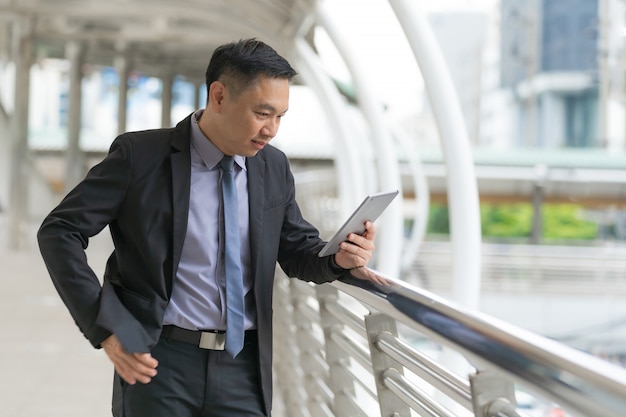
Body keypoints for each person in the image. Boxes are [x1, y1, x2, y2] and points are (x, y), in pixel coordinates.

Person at [37, 38, 380, 417]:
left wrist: (338, 257)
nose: (272, 130)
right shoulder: (141, 157)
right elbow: (60, 230)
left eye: (281, 116)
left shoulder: (272, 167)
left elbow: (296, 250)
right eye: (263, 113)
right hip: (159, 362)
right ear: (218, 96)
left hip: (243, 367)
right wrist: (104, 326)